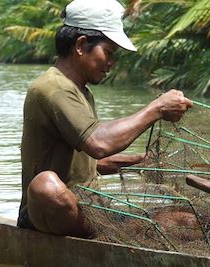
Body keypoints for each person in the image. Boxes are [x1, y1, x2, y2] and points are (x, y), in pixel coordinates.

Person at [17, 0, 193, 238]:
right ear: (81, 45)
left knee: (184, 219)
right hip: (46, 216)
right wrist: (158, 108)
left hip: (90, 212)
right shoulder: (53, 88)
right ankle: (111, 233)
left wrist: (141, 162)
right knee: (46, 186)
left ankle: (111, 230)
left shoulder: (81, 92)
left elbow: (89, 162)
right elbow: (99, 144)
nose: (111, 63)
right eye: (108, 53)